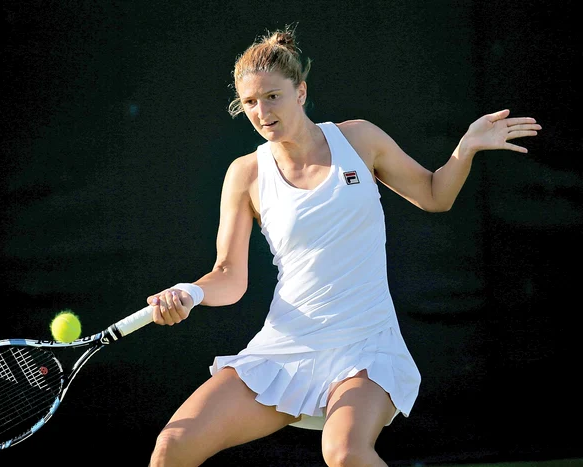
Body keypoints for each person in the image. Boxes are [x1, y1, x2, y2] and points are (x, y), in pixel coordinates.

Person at [144, 25, 541, 467]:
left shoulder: (359, 139)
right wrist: (192, 293)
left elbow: (434, 195)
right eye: (250, 102)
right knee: (171, 449)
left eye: (272, 96)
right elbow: (228, 277)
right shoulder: (245, 174)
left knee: (346, 454)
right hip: (283, 347)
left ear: (301, 91)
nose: (261, 112)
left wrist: (464, 150)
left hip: (365, 346)